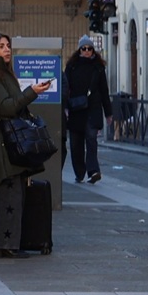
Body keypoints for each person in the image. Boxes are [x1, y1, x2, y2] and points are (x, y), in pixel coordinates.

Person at [0, 31, 51, 258]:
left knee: (14, 190)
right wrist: (31, 93)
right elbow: (4, 107)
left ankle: (6, 243)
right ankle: (5, 245)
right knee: (10, 191)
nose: (7, 50)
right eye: (1, 46)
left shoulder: (1, 72)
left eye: (8, 45)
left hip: (7, 140)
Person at [62, 35, 113, 184]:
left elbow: (104, 90)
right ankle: (79, 172)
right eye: (84, 48)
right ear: (79, 50)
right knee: (76, 144)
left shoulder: (98, 68)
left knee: (91, 140)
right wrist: (65, 107)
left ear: (93, 50)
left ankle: (93, 171)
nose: (86, 51)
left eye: (89, 48)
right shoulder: (71, 66)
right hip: (76, 110)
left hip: (92, 109)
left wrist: (108, 112)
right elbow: (65, 88)